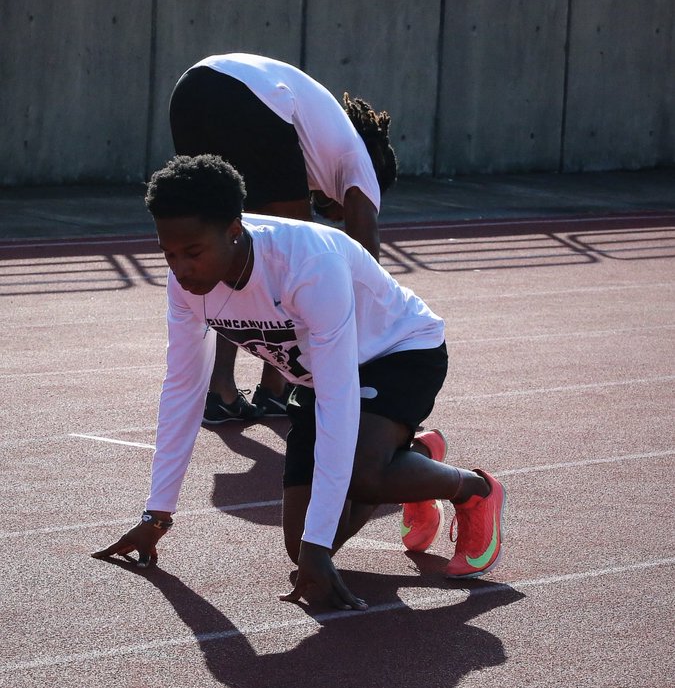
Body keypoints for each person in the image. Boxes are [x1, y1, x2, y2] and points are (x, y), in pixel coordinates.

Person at [92, 154, 507, 611]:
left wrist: (319, 546)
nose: (181, 269)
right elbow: (183, 390)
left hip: (398, 351)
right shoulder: (185, 284)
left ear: (234, 231)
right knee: (303, 545)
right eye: (169, 254)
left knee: (356, 481)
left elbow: (338, 398)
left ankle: (473, 489)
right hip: (317, 374)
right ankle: (413, 456)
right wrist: (158, 513)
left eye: (193, 253)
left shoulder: (307, 265)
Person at [168, 52, 397, 426]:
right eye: (340, 213)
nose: (336, 217)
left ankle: (220, 391)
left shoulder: (323, 142)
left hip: (191, 89)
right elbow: (365, 269)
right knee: (294, 259)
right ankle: (274, 390)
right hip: (251, 98)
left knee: (228, 250)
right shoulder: (362, 165)